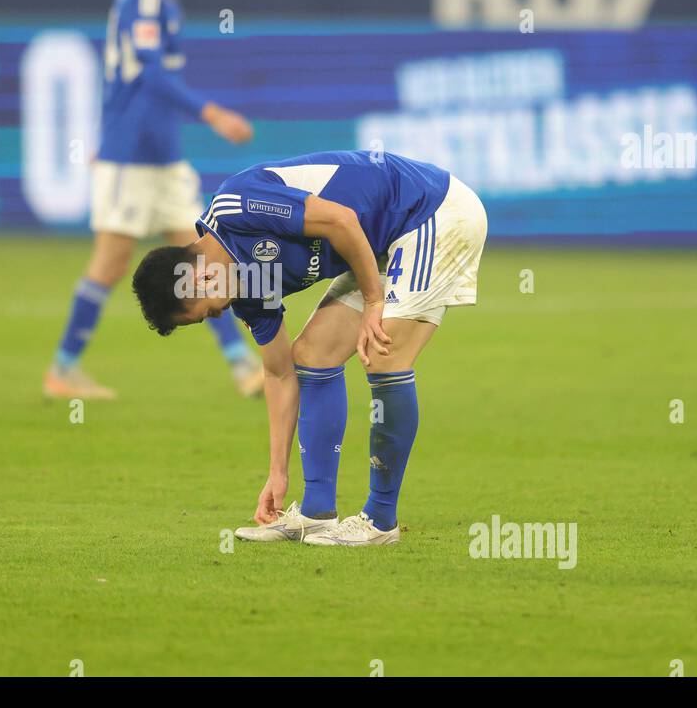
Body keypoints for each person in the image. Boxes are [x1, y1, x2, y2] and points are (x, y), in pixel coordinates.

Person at [131, 150, 488, 546]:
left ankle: (380, 520)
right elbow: (279, 372)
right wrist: (277, 473)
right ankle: (318, 512)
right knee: (312, 355)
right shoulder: (245, 288)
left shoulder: (237, 207)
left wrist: (374, 302)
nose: (215, 318)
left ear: (193, 280)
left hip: (431, 212)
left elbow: (341, 219)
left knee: (385, 354)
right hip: (381, 243)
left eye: (201, 314)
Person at [44, 0, 261, 400]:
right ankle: (61, 370)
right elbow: (149, 72)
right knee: (112, 263)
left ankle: (243, 367)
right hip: (130, 158)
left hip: (162, 158)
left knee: (202, 258)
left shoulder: (163, 1)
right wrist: (212, 114)